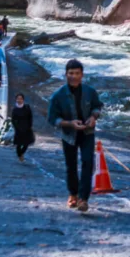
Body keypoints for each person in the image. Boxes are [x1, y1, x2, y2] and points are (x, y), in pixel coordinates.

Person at [47, 59, 103, 213]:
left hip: (87, 133)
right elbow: (52, 118)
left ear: (82, 75)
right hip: (69, 135)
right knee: (71, 166)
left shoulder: (90, 91)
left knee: (87, 162)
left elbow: (97, 106)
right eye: (71, 73)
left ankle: (83, 199)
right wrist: (69, 123)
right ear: (65, 74)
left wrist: (93, 117)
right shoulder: (58, 96)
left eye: (77, 73)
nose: (74, 76)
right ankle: (73, 194)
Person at [10, 93, 34, 163]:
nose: (19, 100)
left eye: (20, 99)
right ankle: (20, 155)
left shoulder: (27, 107)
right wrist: (16, 127)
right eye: (18, 99)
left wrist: (30, 125)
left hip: (27, 128)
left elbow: (30, 117)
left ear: (23, 100)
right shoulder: (15, 109)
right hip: (18, 129)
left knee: (26, 143)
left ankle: (21, 154)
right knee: (19, 144)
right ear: (16, 99)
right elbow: (13, 120)